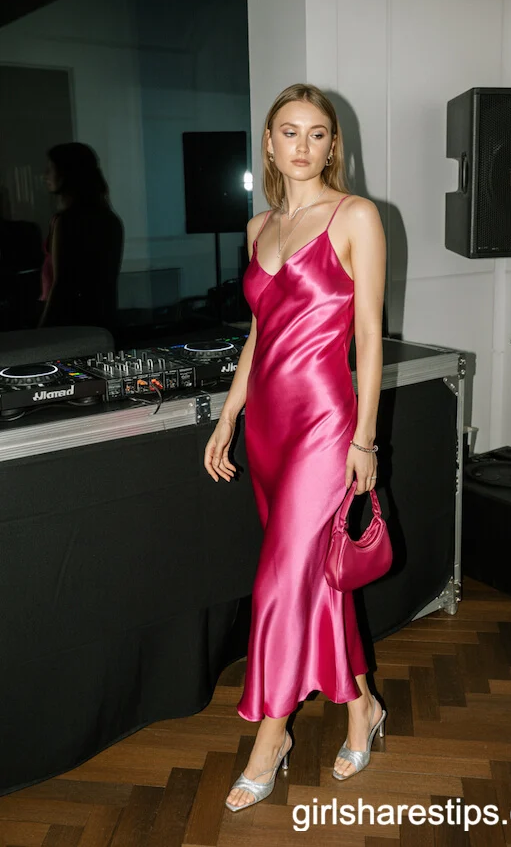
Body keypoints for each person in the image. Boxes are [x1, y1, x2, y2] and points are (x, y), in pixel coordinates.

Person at [203, 84, 387, 811]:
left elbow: (369, 335)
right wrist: (227, 417)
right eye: (290, 132)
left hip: (325, 424)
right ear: (270, 145)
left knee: (278, 584)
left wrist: (365, 438)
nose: (303, 146)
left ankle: (270, 735)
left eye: (318, 134)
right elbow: (260, 333)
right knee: (315, 582)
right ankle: (361, 709)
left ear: (332, 146)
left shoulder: (356, 217)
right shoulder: (258, 226)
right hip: (269, 429)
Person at [38, 143, 124, 331]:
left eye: (50, 168)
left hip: (68, 324)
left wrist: (42, 331)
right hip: (101, 322)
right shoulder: (110, 219)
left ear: (65, 172)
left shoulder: (67, 221)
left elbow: (61, 284)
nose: (45, 175)